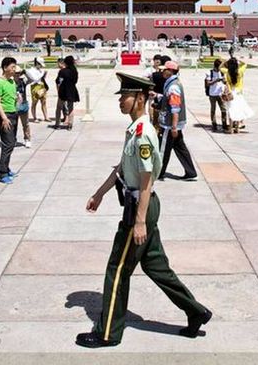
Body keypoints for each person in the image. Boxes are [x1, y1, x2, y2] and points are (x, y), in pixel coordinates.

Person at [75, 72, 212, 349]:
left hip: (140, 207)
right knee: (156, 266)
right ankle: (196, 311)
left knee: (117, 269)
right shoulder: (134, 130)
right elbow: (121, 167)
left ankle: (107, 333)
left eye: (125, 96)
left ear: (139, 98)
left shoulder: (143, 134)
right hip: (140, 205)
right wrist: (100, 193)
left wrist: (139, 221)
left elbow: (147, 181)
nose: (120, 101)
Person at [152, 60, 196, 181]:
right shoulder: (171, 84)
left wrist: (174, 127)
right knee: (180, 148)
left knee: (163, 149)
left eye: (164, 70)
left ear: (170, 71)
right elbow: (168, 99)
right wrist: (157, 96)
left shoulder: (173, 87)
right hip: (173, 124)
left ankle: (158, 173)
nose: (162, 71)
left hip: (170, 124)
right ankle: (191, 172)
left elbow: (175, 108)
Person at [0, 57, 20, 184]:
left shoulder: (12, 82)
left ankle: (6, 167)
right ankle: (1, 173)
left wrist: (17, 99)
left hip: (14, 113)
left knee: (12, 142)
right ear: (5, 68)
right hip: (6, 116)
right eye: (12, 67)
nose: (14, 69)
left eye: (15, 67)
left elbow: (13, 96)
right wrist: (3, 117)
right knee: (7, 144)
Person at [222, 56, 251, 133]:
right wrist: (238, 60)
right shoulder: (240, 71)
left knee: (230, 110)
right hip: (238, 93)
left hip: (231, 92)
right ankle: (237, 128)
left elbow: (220, 67)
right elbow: (245, 64)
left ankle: (230, 128)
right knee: (238, 110)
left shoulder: (227, 72)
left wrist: (225, 61)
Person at [203, 58, 228, 132]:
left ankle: (224, 124)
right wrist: (216, 80)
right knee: (213, 110)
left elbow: (225, 82)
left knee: (223, 109)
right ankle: (214, 124)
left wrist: (224, 81)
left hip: (220, 94)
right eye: (219, 67)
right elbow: (208, 83)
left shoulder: (222, 72)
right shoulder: (210, 72)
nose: (219, 69)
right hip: (212, 94)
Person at [55, 55, 80, 129]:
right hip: (72, 90)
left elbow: (58, 81)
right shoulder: (75, 71)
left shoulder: (62, 71)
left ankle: (57, 124)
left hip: (63, 90)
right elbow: (75, 81)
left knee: (59, 107)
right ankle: (70, 124)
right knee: (70, 108)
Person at [14, 67, 32, 148]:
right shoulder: (10, 82)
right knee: (14, 125)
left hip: (23, 105)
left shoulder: (22, 81)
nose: (17, 75)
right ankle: (13, 139)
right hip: (14, 106)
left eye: (18, 73)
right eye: (16, 73)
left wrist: (25, 72)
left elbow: (32, 79)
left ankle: (27, 139)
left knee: (25, 124)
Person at [28, 57, 49, 122]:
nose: (41, 66)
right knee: (34, 102)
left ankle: (46, 117)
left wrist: (44, 74)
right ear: (37, 63)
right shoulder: (31, 70)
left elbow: (42, 78)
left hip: (42, 86)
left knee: (44, 102)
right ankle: (35, 117)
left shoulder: (40, 70)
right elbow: (35, 79)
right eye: (40, 64)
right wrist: (42, 74)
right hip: (35, 86)